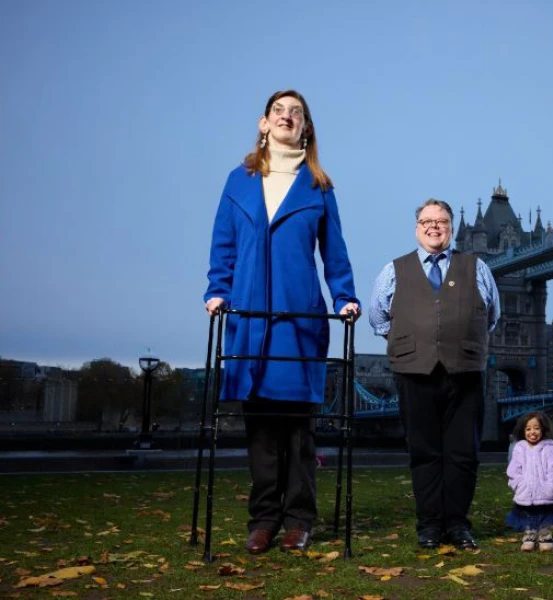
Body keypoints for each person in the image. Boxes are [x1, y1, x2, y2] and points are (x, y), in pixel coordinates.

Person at [204, 90, 360, 555]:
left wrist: (345, 295)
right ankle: (263, 519)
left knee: (298, 429)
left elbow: (334, 252)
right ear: (264, 123)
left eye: (297, 112)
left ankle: (298, 519)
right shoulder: (239, 181)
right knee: (261, 429)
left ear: (306, 127)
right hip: (250, 318)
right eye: (280, 111)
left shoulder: (319, 187)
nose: (288, 117)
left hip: (299, 318)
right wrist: (218, 289)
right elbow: (223, 243)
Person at [369, 198, 500, 550]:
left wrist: (457, 339)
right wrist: (416, 339)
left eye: (441, 220)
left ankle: (458, 526)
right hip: (414, 373)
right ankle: (428, 527)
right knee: (424, 452)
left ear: (451, 228)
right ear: (417, 228)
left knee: (463, 454)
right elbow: (378, 318)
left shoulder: (477, 267)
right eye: (427, 221)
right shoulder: (393, 270)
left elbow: (491, 316)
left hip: (466, 372)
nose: (434, 226)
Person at [506, 411, 553, 552]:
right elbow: (514, 470)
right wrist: (518, 484)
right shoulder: (519, 448)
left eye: (536, 428)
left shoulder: (549, 448)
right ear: (523, 431)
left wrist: (552, 485)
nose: (532, 432)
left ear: (543, 430)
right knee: (528, 515)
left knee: (545, 516)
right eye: (528, 429)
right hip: (525, 491)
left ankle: (545, 536)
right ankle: (529, 535)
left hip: (545, 491)